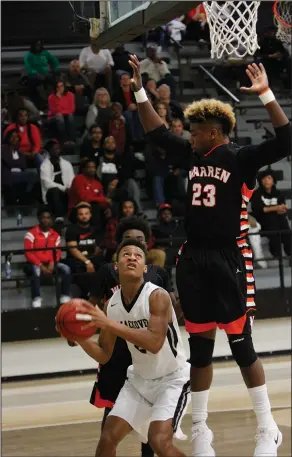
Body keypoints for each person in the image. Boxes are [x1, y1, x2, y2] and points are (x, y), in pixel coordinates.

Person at [129, 55, 291, 456]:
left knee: (242, 347)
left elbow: (287, 141)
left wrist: (267, 94)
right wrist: (137, 90)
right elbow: (157, 132)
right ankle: (200, 428)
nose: (190, 136)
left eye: (196, 133)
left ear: (214, 134)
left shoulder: (239, 158)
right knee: (200, 349)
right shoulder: (192, 156)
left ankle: (267, 427)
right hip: (193, 258)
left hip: (228, 257)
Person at [73, 238, 189, 457]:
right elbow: (104, 354)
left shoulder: (157, 296)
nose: (132, 257)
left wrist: (109, 324)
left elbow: (154, 343)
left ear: (145, 268)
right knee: (107, 439)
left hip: (172, 379)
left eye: (138, 255)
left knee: (159, 442)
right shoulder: (112, 305)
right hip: (138, 381)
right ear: (116, 267)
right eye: (126, 254)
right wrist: (79, 338)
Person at [24, 208, 71, 308]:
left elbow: (57, 252)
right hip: (36, 263)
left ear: (51, 219)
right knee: (35, 270)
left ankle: (64, 296)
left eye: (48, 218)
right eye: (43, 218)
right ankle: (36, 298)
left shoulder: (55, 235)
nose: (45, 220)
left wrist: (52, 263)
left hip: (51, 262)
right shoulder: (31, 234)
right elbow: (29, 253)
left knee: (66, 269)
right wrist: (41, 265)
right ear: (39, 219)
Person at [64, 202, 104, 297]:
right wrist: (87, 262)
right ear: (77, 216)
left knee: (105, 267)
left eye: (86, 213)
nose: (84, 216)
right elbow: (73, 249)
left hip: (92, 257)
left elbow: (98, 247)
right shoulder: (71, 229)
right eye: (81, 214)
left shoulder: (95, 229)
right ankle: (87, 295)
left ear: (90, 215)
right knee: (82, 269)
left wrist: (96, 253)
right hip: (77, 260)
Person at [251, 170, 291, 259]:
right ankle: (277, 253)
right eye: (263, 179)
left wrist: (276, 209)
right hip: (262, 221)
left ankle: (289, 254)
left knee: (285, 228)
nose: (266, 181)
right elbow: (260, 210)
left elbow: (283, 208)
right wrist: (276, 208)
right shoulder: (257, 194)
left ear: (273, 181)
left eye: (269, 178)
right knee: (272, 220)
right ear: (260, 181)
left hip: (277, 220)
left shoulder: (278, 193)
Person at [68, 160, 111, 228]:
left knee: (109, 210)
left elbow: (102, 201)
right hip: (76, 211)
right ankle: (94, 232)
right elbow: (84, 198)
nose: (92, 169)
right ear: (84, 169)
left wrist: (107, 207)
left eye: (93, 167)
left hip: (92, 211)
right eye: (89, 167)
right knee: (95, 205)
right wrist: (104, 199)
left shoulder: (98, 183)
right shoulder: (79, 178)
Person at [2, 129, 39, 207]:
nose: (15, 139)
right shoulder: (3, 149)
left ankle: (26, 195)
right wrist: (16, 163)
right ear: (8, 138)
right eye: (12, 137)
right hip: (8, 175)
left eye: (16, 137)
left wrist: (14, 163)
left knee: (35, 174)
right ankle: (26, 193)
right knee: (33, 174)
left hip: (20, 175)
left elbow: (23, 165)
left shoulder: (20, 152)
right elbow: (9, 162)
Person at [40, 140, 75, 221]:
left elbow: (72, 180)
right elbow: (47, 184)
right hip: (51, 195)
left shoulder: (67, 164)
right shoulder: (44, 165)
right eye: (55, 148)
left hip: (66, 194)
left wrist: (69, 189)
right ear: (49, 151)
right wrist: (63, 188)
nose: (58, 150)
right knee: (54, 190)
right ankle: (59, 216)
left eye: (58, 148)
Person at [24, 39, 59, 109]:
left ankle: (54, 102)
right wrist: (36, 73)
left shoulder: (45, 53)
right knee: (35, 83)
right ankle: (40, 104)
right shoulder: (28, 55)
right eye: (36, 45)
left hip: (46, 74)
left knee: (56, 82)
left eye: (39, 45)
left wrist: (54, 70)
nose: (38, 46)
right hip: (34, 75)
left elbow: (55, 62)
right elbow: (29, 68)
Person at [48, 80, 76, 144]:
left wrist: (62, 112)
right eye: (58, 87)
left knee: (70, 116)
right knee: (60, 117)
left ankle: (72, 140)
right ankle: (64, 140)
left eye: (61, 86)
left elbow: (72, 109)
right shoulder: (51, 97)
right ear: (55, 88)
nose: (60, 88)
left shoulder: (70, 95)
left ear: (64, 87)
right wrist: (59, 98)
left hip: (66, 115)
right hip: (53, 117)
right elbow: (53, 111)